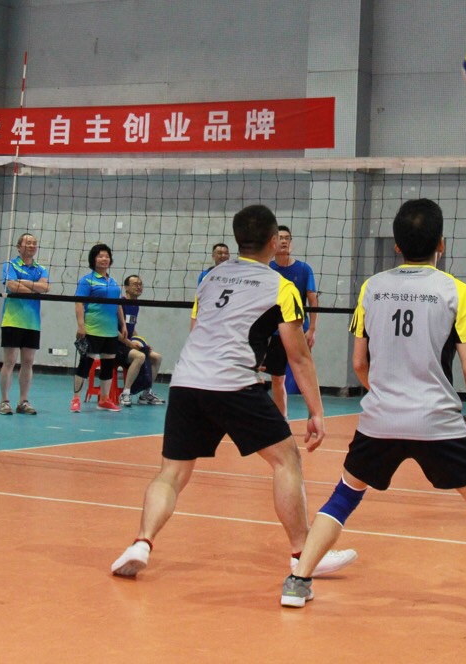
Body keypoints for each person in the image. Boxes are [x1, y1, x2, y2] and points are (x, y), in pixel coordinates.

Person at [280, 199, 466, 633]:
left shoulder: (371, 288)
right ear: (441, 244)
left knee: (344, 497)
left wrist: (386, 394)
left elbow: (359, 363)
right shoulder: (455, 291)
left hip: (379, 420)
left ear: (397, 246)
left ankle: (297, 582)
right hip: (437, 421)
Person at [110, 204, 356, 580]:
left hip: (188, 380)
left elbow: (197, 329)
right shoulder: (281, 287)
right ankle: (303, 554)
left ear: (238, 240)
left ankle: (141, 543)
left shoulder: (211, 277)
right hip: (233, 383)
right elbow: (299, 356)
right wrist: (316, 411)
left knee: (172, 473)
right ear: (273, 241)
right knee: (286, 460)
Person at [263, 226, 319, 416]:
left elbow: (312, 300)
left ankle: (314, 414)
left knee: (306, 374)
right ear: (273, 242)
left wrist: (312, 329)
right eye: (280, 238)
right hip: (275, 332)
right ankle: (282, 419)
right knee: (277, 378)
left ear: (291, 243)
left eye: (287, 238)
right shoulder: (267, 269)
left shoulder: (304, 269)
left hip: (298, 330)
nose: (284, 241)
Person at [0, 233, 49, 416]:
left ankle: (23, 401)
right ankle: (4, 401)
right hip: (12, 319)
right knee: (10, 361)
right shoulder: (10, 265)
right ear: (19, 247)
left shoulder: (41, 269)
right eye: (28, 243)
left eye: (34, 243)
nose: (32, 246)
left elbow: (46, 288)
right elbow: (12, 286)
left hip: (32, 322)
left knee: (28, 361)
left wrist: (23, 282)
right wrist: (34, 287)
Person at [72, 243, 126, 412]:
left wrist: (123, 324)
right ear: (93, 259)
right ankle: (76, 399)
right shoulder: (87, 280)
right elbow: (79, 303)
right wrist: (81, 326)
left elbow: (118, 304)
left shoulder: (114, 282)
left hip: (110, 330)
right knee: (85, 364)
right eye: (100, 256)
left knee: (108, 365)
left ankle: (104, 399)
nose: (104, 259)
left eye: (107, 256)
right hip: (93, 328)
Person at [118, 274, 165, 407]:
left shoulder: (135, 305)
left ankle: (146, 393)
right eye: (135, 284)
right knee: (140, 356)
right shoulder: (120, 304)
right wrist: (129, 343)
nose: (139, 287)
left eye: (140, 284)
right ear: (126, 288)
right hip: (117, 346)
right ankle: (125, 393)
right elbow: (113, 330)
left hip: (129, 345)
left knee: (157, 357)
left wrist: (142, 342)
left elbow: (131, 329)